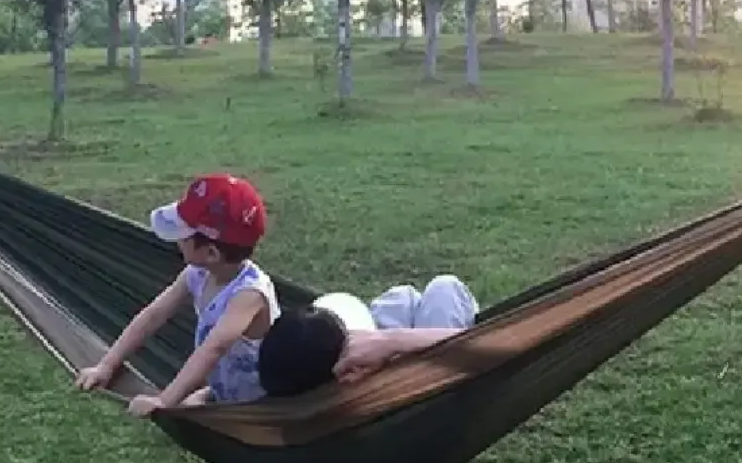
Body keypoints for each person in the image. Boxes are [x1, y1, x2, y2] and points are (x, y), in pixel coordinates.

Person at [75, 173, 278, 415]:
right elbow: (153, 315)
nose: (178, 240)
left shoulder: (249, 294)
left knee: (194, 417)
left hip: (260, 405)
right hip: (223, 390)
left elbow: (213, 349)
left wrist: (163, 401)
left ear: (211, 253)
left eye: (183, 235)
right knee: (190, 410)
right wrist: (106, 366)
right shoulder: (198, 273)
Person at [258, 275, 478, 398]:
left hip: (376, 341)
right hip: (422, 366)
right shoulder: (364, 392)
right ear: (350, 370)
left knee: (400, 298)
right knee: (445, 287)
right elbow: (477, 344)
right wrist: (391, 341)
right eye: (352, 338)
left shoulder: (277, 386)